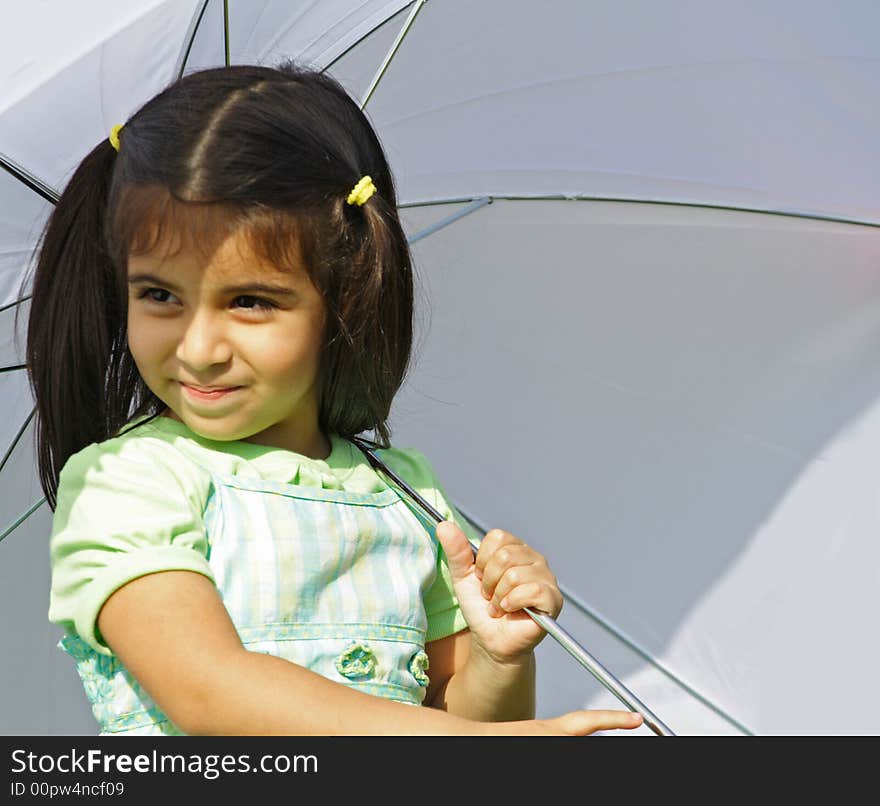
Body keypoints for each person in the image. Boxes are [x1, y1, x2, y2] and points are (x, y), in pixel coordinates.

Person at [29, 62, 643, 736]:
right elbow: (210, 692)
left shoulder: (404, 492)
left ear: (346, 300)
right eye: (159, 295)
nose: (200, 347)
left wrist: (496, 662)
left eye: (250, 301)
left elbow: (452, 716)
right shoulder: (128, 484)